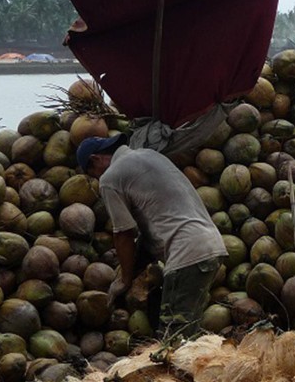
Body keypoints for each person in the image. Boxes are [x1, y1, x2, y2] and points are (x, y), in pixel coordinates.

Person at [76, 134, 227, 343]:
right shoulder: (150, 155)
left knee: (173, 340)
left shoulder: (110, 178)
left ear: (95, 159)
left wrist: (125, 279)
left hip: (186, 253)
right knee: (188, 335)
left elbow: (124, 233)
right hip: (212, 245)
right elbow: (151, 230)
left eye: (92, 174)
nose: (97, 179)